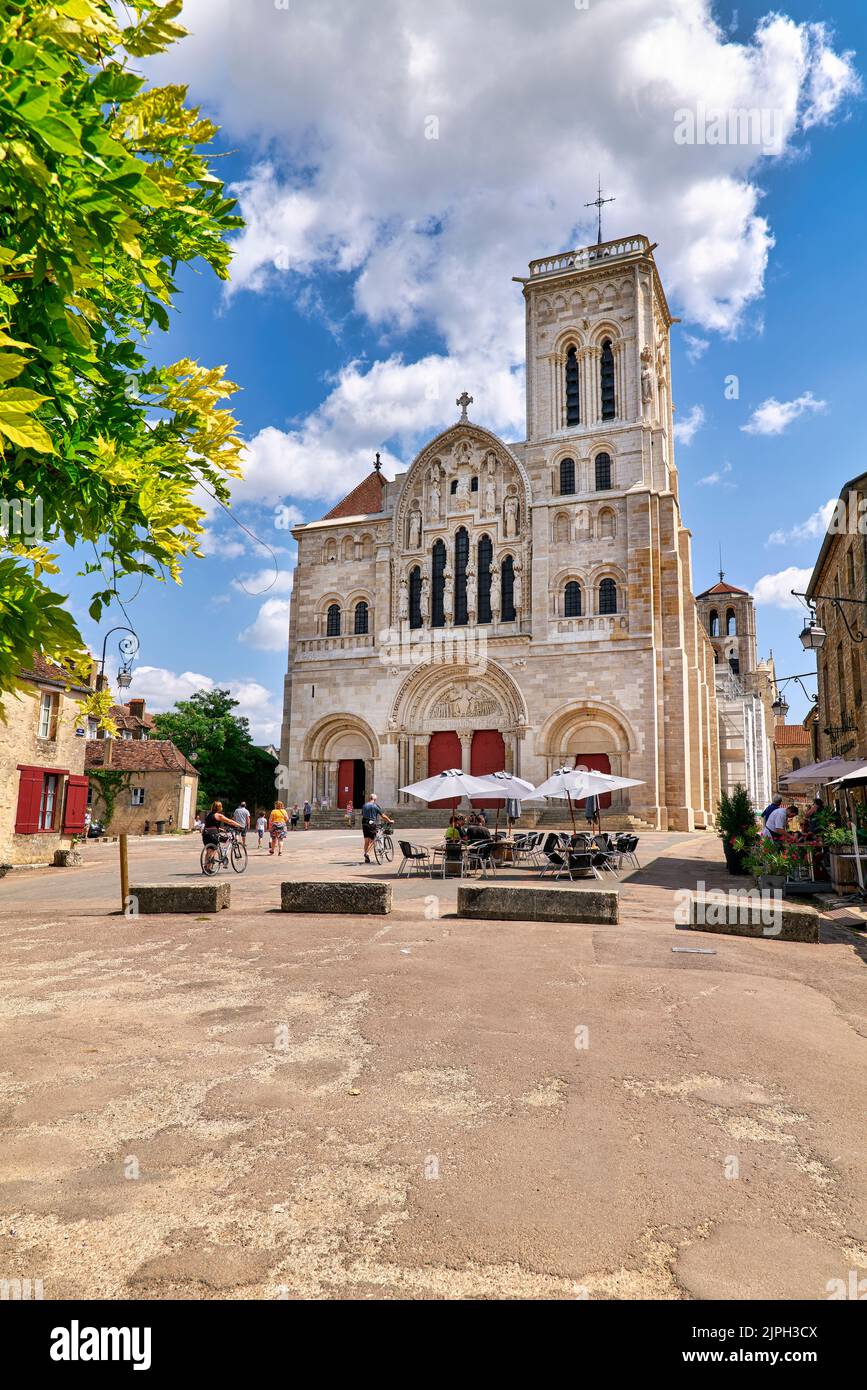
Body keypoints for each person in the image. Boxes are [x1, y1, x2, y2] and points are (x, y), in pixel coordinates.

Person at [202, 801, 242, 870]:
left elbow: (210, 825)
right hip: (213, 834)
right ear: (219, 808)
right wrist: (239, 825)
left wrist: (220, 829)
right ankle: (209, 868)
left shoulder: (208, 815)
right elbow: (229, 821)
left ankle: (205, 868)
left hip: (205, 834)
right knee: (213, 850)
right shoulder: (218, 815)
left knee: (208, 850)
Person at [360, 792, 393, 864]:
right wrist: (390, 820)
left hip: (364, 823)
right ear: (375, 799)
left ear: (369, 798)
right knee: (374, 841)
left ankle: (366, 856)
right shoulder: (375, 806)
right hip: (372, 824)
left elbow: (362, 814)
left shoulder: (364, 805)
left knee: (366, 841)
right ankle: (367, 853)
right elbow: (383, 816)